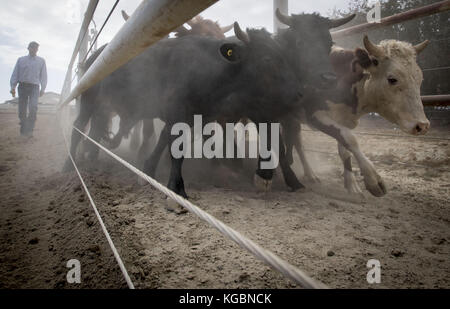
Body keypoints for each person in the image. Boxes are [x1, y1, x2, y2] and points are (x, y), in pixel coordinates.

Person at [10, 41, 47, 137]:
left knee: (33, 107)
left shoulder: (41, 61)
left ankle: (30, 130)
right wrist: (13, 87)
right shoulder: (21, 60)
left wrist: (43, 88)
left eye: (35, 48)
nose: (34, 50)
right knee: (22, 108)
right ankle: (23, 129)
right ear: (28, 48)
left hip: (34, 87)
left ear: (37, 50)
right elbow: (15, 73)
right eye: (32, 48)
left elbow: (43, 76)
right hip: (22, 86)